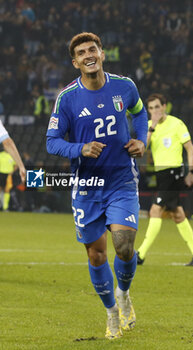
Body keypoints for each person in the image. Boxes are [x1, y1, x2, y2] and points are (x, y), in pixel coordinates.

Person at [46, 32, 148, 339]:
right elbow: (52, 142)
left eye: (93, 49)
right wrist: (80, 148)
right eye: (82, 52)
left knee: (124, 245)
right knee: (96, 255)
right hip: (88, 186)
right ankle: (111, 314)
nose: (88, 54)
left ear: (102, 53)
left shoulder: (125, 86)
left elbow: (140, 112)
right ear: (75, 61)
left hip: (121, 180)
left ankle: (124, 293)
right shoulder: (67, 98)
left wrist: (141, 139)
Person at [137, 93, 193, 267]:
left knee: (155, 209)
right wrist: (151, 127)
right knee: (177, 214)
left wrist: (191, 172)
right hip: (161, 175)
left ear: (164, 106)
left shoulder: (176, 123)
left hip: (174, 174)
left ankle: (141, 254)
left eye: (157, 107)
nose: (154, 111)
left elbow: (190, 149)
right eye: (151, 108)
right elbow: (142, 149)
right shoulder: (149, 126)